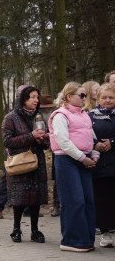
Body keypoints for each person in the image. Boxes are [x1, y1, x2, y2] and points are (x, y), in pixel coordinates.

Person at [49, 82, 98, 251]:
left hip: (83, 159)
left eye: (86, 95)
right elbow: (62, 141)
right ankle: (71, 241)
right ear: (69, 96)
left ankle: (85, 239)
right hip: (66, 161)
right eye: (82, 95)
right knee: (73, 200)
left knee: (87, 201)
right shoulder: (60, 116)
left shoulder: (84, 115)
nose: (85, 98)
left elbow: (91, 136)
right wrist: (82, 158)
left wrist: (94, 154)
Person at [1, 85, 49, 243]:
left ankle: (35, 230)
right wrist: (31, 136)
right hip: (20, 162)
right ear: (23, 99)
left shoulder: (38, 116)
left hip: (37, 162)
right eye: (32, 97)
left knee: (36, 198)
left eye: (37, 97)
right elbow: (7, 140)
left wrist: (44, 140)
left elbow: (45, 143)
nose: (36, 100)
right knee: (19, 198)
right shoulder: (11, 117)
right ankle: (16, 229)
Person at [89, 84, 115, 247]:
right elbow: (82, 135)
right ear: (98, 99)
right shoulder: (90, 116)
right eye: (104, 97)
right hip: (99, 166)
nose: (107, 100)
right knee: (102, 199)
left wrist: (112, 142)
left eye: (111, 97)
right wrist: (95, 144)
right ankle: (105, 233)